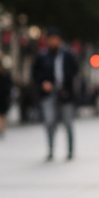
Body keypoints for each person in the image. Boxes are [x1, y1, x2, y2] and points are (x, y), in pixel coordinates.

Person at [31, 28, 78, 160]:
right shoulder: (42, 56)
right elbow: (35, 74)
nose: (53, 42)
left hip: (65, 94)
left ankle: (70, 151)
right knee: (49, 122)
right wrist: (43, 83)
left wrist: (66, 85)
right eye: (51, 39)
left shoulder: (68, 55)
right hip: (48, 94)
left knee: (68, 123)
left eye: (55, 39)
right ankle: (51, 150)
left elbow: (74, 71)